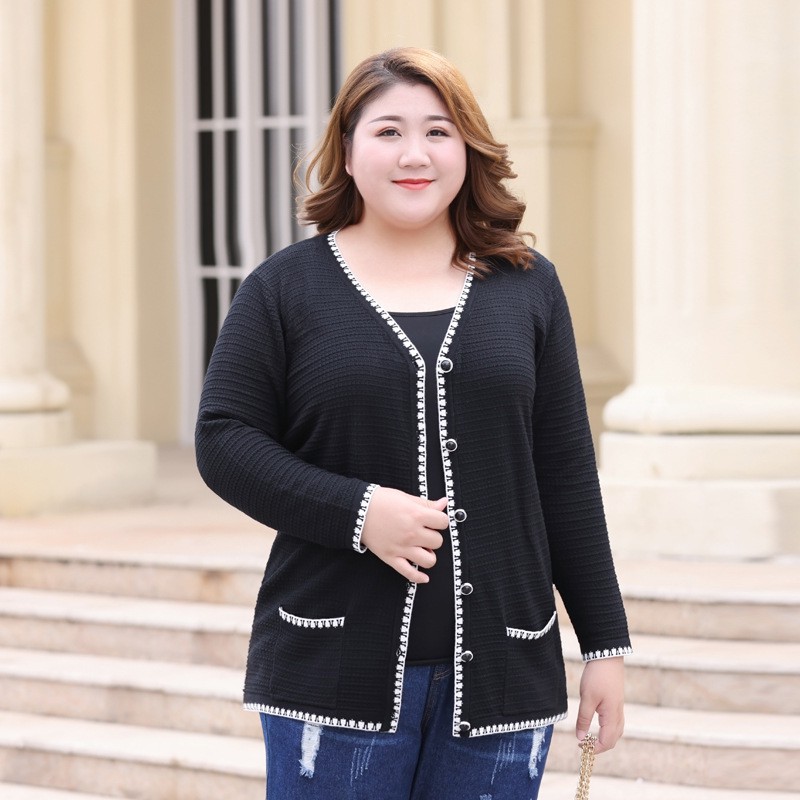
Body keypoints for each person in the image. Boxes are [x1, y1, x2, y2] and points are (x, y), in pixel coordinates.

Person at [196, 46, 631, 799]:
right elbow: (224, 439)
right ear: (347, 151)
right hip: (330, 675)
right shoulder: (283, 288)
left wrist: (604, 644)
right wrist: (358, 512)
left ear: (468, 148)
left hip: (503, 678)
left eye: (437, 131)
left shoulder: (528, 287)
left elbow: (563, 472)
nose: (414, 155)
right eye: (388, 131)